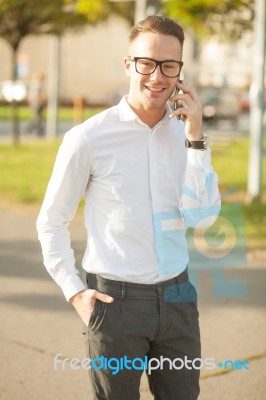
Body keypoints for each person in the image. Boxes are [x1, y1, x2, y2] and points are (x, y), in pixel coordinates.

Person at [37, 15, 221, 400]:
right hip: (114, 303)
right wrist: (74, 292)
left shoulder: (188, 135)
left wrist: (196, 139)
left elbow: (203, 217)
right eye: (147, 63)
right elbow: (52, 221)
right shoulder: (87, 138)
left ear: (180, 71)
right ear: (128, 65)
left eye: (169, 65)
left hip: (178, 297)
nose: (157, 75)